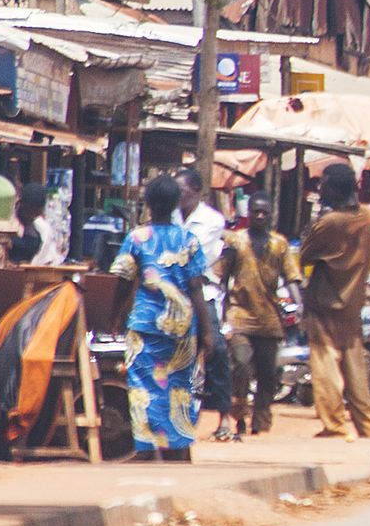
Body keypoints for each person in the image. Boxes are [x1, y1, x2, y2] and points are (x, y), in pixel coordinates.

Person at [111, 175, 211, 463]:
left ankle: (147, 451)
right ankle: (177, 451)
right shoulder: (189, 240)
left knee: (144, 388)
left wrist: (115, 316)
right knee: (180, 389)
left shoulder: (136, 238)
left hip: (145, 326)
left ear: (148, 204)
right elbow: (196, 288)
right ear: (177, 203)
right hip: (183, 331)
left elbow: (123, 281)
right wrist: (207, 332)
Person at [300, 163, 370, 440]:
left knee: (325, 365)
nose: (319, 189)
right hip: (353, 302)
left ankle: (335, 424)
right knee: (354, 366)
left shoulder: (330, 222)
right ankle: (369, 425)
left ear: (336, 189)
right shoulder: (366, 215)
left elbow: (305, 253)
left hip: (325, 302)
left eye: (324, 184)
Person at [218, 194, 300, 437]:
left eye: (265, 212)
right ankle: (239, 415)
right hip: (240, 316)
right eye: (256, 212)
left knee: (268, 376)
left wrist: (300, 303)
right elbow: (221, 276)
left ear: (272, 214)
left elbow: (292, 276)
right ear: (249, 213)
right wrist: (222, 311)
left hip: (269, 319)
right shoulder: (236, 241)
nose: (261, 216)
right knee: (241, 367)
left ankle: (261, 422)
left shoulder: (279, 244)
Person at [175, 169, 235, 441]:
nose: (179, 198)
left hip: (202, 291)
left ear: (198, 193)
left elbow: (191, 254)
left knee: (217, 351)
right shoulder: (170, 215)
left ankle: (224, 416)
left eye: (184, 192)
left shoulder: (212, 220)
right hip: (173, 291)